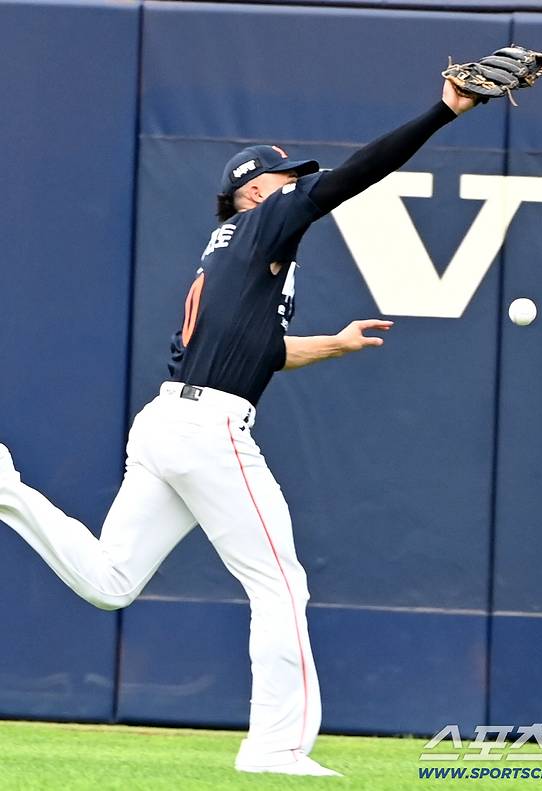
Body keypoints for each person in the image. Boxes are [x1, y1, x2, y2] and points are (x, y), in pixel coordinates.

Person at [0, 80, 474, 776]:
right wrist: (445, 111)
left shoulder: (230, 250)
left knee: (111, 579)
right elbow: (358, 173)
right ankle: (275, 746)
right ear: (254, 192)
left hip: (167, 420)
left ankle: (5, 489)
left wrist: (334, 343)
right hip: (209, 427)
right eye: (286, 180)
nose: (298, 187)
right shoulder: (263, 224)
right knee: (280, 584)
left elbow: (259, 351)